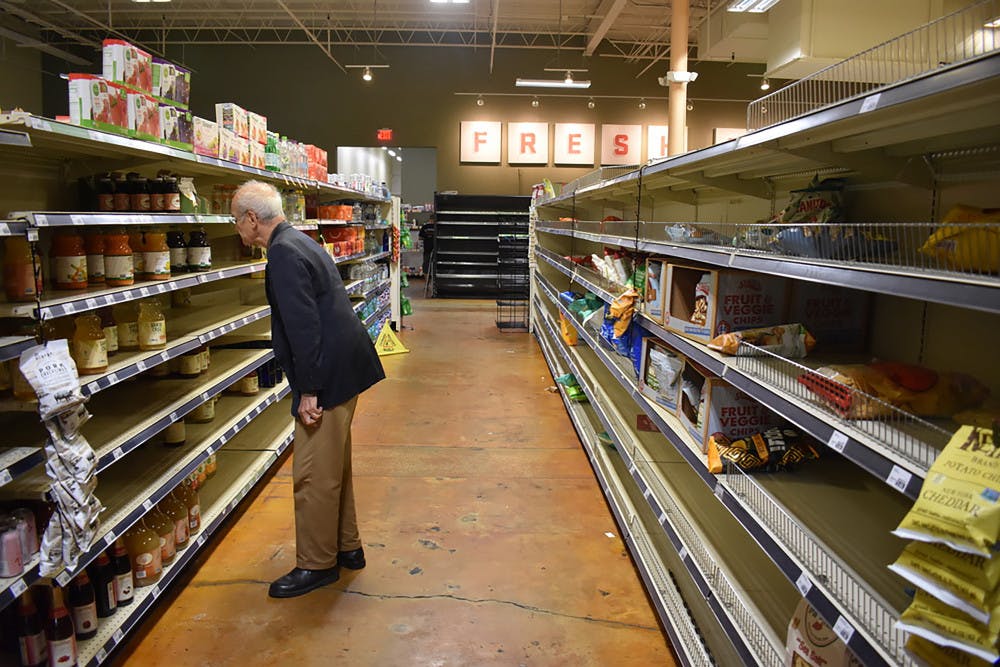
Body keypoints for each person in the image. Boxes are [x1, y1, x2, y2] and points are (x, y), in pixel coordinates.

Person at [231, 180, 386, 598]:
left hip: (328, 373)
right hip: (346, 365)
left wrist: (310, 392)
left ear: (251, 219)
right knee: (335, 465)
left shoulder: (282, 253)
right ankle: (347, 547)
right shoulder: (300, 240)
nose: (236, 230)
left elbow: (304, 329)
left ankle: (317, 565)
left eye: (235, 220)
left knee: (314, 473)